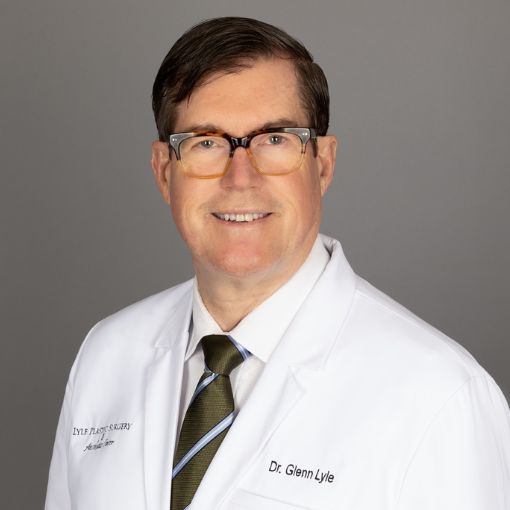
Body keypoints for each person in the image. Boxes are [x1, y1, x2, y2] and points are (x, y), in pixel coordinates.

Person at [45, 16, 510, 510]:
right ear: (164, 172)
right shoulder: (105, 355)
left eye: (274, 139)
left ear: (323, 164)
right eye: (206, 143)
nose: (240, 178)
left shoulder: (440, 396)